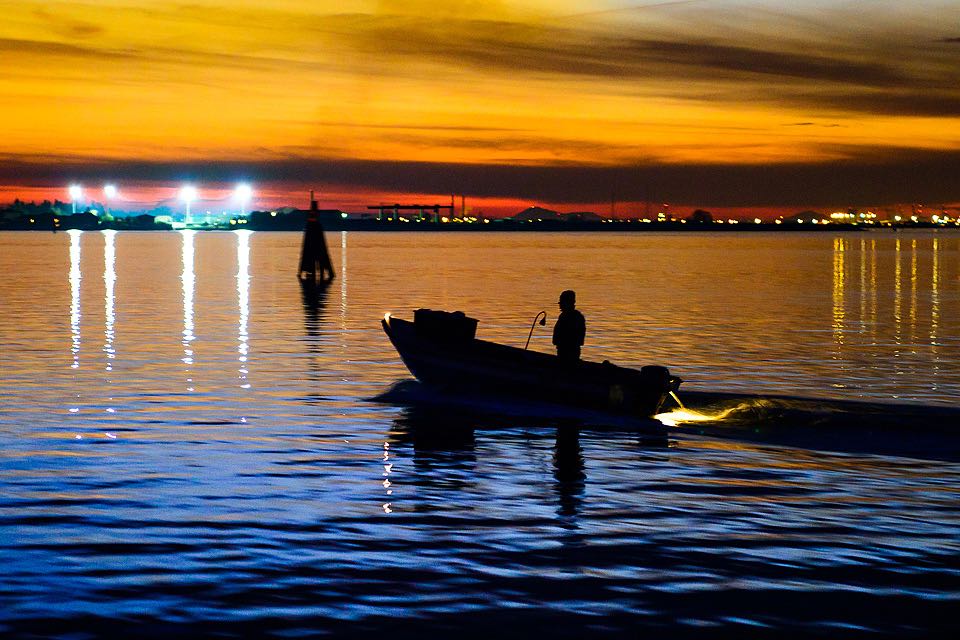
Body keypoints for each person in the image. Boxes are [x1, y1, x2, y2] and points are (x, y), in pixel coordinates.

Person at [552, 289, 585, 362]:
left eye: (561, 302)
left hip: (566, 353)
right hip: (570, 352)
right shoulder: (578, 316)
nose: (560, 305)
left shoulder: (567, 317)